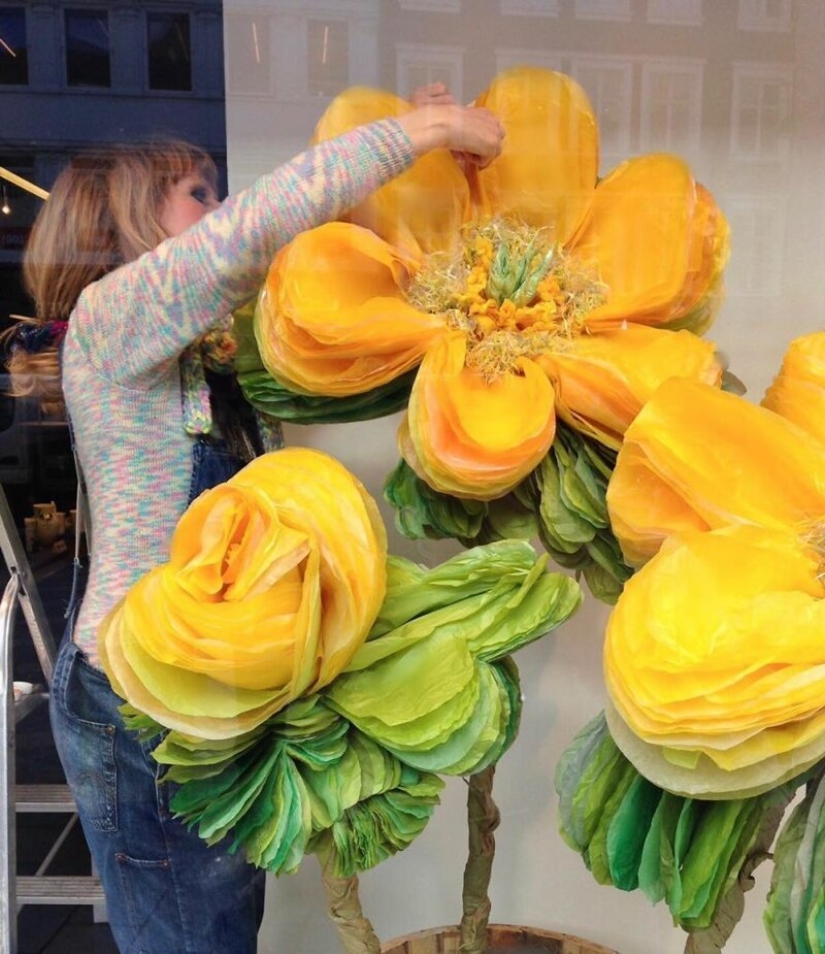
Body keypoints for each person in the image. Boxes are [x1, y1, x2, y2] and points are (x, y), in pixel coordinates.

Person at [6, 88, 504, 953]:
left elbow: (286, 253)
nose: (221, 208)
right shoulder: (111, 321)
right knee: (194, 941)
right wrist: (418, 133)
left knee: (221, 927)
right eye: (197, 192)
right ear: (131, 225)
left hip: (200, 694)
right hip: (141, 708)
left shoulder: (200, 359)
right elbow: (250, 240)